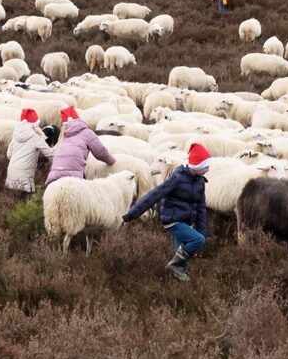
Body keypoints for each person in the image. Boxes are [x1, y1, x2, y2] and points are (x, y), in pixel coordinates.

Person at [122, 144, 211, 282]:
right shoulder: (177, 178)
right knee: (197, 240)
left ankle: (177, 284)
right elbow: (155, 194)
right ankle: (173, 266)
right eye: (205, 166)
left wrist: (200, 230)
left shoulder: (200, 182)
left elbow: (201, 208)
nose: (208, 169)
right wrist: (133, 213)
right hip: (173, 219)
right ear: (197, 165)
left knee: (182, 259)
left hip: (186, 221)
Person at [46, 106, 115, 184]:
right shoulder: (86, 132)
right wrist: (112, 162)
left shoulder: (63, 136)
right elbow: (100, 152)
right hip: (73, 178)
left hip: (53, 177)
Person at [5, 108, 55, 196]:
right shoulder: (36, 137)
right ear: (34, 125)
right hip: (25, 176)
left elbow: (9, 155)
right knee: (26, 201)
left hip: (11, 174)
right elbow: (50, 154)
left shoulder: (15, 137)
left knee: (14, 203)